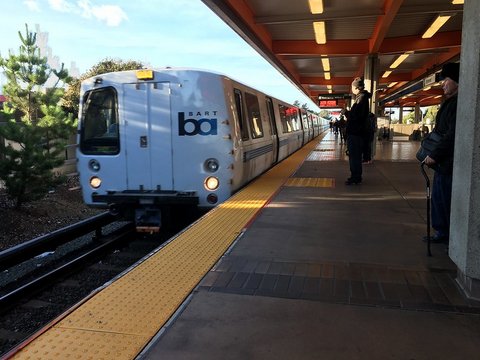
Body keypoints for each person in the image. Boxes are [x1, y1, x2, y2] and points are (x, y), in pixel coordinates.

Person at [423, 62, 460, 244]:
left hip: (448, 161)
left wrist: (435, 154)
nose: (443, 84)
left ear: (457, 81)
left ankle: (446, 235)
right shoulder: (450, 103)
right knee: (439, 197)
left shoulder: (457, 105)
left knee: (444, 198)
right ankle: (442, 232)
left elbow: (451, 135)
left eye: (446, 79)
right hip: (443, 162)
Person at [344, 77, 371, 185]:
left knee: (354, 156)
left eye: (352, 87)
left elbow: (356, 117)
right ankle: (355, 176)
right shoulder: (362, 98)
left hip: (356, 133)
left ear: (356, 87)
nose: (351, 89)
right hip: (357, 133)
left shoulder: (361, 98)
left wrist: (346, 113)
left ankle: (355, 177)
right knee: (355, 156)